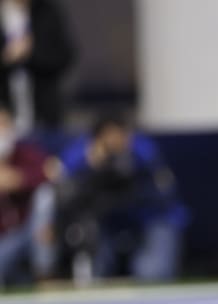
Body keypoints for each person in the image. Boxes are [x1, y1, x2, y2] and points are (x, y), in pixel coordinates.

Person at [58, 113, 184, 283]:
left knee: (152, 274)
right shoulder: (85, 153)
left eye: (118, 134)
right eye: (108, 136)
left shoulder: (141, 148)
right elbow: (63, 176)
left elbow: (164, 191)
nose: (114, 141)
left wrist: (128, 160)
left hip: (152, 218)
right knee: (94, 272)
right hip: (108, 222)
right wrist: (91, 166)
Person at [0, 0, 74, 148]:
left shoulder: (47, 11)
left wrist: (32, 52)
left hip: (44, 114)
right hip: (5, 114)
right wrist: (6, 57)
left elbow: (65, 55)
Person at [0, 104, 48, 287]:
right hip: (3, 237)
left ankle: (45, 274)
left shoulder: (26, 152)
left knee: (46, 198)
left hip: (28, 230)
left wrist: (20, 179)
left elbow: (50, 173)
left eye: (3, 124)